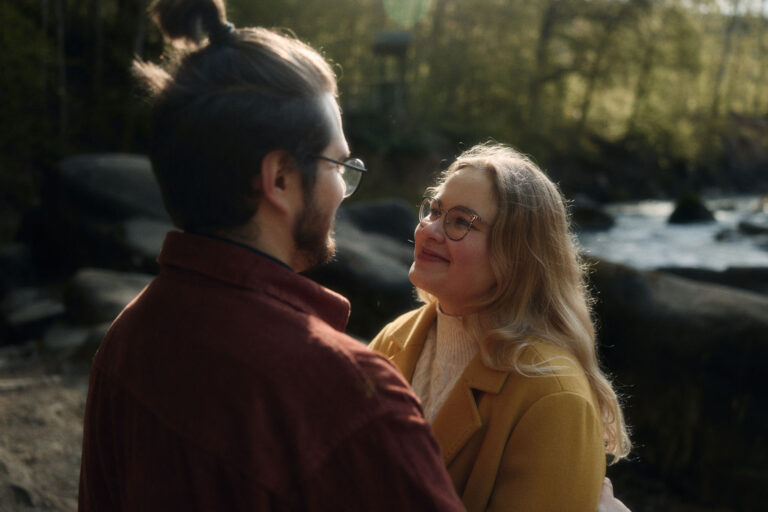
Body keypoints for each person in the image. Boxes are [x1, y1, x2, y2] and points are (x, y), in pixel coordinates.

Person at [77, 0, 464, 510]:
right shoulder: (352, 396)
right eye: (338, 167)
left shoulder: (127, 338)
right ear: (279, 179)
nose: (343, 191)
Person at [370, 143, 632, 511]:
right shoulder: (395, 338)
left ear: (517, 255)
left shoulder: (553, 396)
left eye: (460, 222)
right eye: (434, 211)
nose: (429, 230)